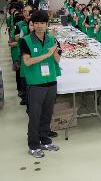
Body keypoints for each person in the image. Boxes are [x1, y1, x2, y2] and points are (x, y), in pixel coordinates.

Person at [20, 10, 61, 158]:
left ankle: (44, 139)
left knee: (47, 113)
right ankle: (33, 144)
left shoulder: (52, 39)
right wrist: (47, 54)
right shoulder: (25, 40)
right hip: (35, 83)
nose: (39, 26)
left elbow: (57, 61)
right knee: (35, 115)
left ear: (47, 24)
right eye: (36, 23)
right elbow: (27, 61)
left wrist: (56, 50)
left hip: (51, 81)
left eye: (42, 23)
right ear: (32, 24)